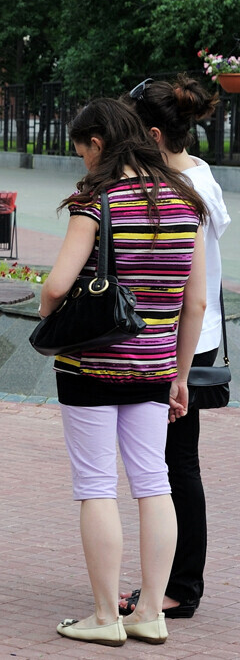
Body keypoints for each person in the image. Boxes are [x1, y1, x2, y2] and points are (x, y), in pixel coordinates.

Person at [42, 98, 206, 649]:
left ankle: (104, 616)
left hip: (92, 363)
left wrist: (49, 318)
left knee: (95, 486)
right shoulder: (186, 201)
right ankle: (152, 613)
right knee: (153, 483)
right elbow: (197, 303)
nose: (83, 163)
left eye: (82, 151)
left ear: (98, 143)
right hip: (157, 366)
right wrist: (179, 374)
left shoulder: (96, 200)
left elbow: (57, 287)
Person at [119, 76, 230, 622]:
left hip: (181, 346)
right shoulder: (196, 175)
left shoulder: (188, 190)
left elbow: (196, 298)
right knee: (170, 465)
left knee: (173, 468)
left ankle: (179, 588)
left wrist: (179, 372)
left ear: (156, 134)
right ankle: (173, 582)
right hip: (184, 343)